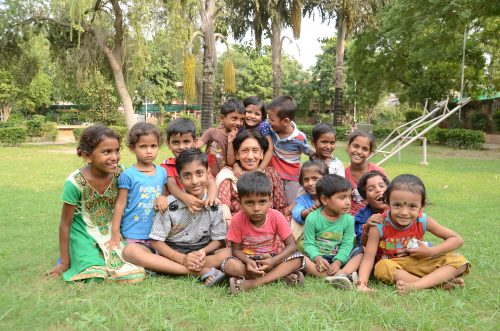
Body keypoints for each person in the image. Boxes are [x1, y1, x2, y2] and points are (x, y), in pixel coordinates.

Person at [49, 125, 145, 283]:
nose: (114, 157)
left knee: (130, 271)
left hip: (112, 230)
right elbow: (65, 224)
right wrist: (65, 263)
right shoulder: (74, 183)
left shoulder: (121, 173)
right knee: (93, 273)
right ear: (88, 156)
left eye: (117, 150)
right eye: (107, 152)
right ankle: (82, 255)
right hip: (83, 233)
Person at [122, 149, 231, 286]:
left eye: (199, 173)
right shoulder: (169, 205)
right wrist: (182, 259)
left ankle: (173, 267)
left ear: (208, 173)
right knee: (130, 251)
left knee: (230, 251)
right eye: (187, 175)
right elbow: (156, 241)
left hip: (202, 254)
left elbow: (218, 240)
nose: (194, 181)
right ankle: (197, 271)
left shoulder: (214, 206)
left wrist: (202, 252)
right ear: (179, 178)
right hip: (171, 253)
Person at [357, 174, 470, 293]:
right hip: (396, 267)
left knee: (460, 261)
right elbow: (368, 258)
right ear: (388, 202)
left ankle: (415, 286)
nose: (404, 212)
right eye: (397, 205)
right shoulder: (379, 224)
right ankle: (438, 285)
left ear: (421, 206)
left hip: (421, 262)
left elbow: (456, 239)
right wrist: (362, 282)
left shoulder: (422, 220)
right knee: (381, 267)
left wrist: (431, 251)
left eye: (412, 206)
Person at [222, 172, 306, 294]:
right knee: (229, 265)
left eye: (262, 202)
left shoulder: (276, 216)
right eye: (250, 203)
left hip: (271, 259)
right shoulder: (237, 219)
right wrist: (247, 261)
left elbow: (292, 245)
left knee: (299, 259)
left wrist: (274, 261)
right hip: (248, 262)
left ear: (270, 200)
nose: (256, 208)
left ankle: (252, 283)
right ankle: (281, 276)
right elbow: (236, 250)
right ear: (240, 203)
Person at [106, 123, 167, 251]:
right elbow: (120, 204)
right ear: (132, 148)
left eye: (153, 146)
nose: (149, 151)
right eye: (143, 146)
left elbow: (165, 195)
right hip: (133, 233)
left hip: (158, 233)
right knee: (136, 254)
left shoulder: (162, 172)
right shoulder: (128, 175)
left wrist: (163, 197)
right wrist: (115, 231)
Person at [216, 129, 288, 224]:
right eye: (245, 150)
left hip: (270, 227)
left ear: (261, 154)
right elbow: (223, 206)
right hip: (237, 227)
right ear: (237, 154)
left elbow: (281, 208)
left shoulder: (271, 174)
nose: (250, 156)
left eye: (255, 150)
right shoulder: (227, 175)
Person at [302, 174, 360, 289]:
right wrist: (317, 258)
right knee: (299, 258)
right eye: (342, 198)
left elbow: (347, 244)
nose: (348, 202)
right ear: (324, 200)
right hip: (318, 259)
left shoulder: (348, 219)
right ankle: (337, 277)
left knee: (361, 251)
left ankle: (341, 273)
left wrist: (338, 262)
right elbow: (309, 243)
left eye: (349, 197)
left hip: (339, 257)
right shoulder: (312, 218)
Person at [159, 118, 218, 214]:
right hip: (177, 210)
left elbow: (211, 182)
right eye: (175, 142)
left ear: (195, 142)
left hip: (201, 206)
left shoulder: (199, 163)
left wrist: (211, 198)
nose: (181, 147)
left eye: (186, 141)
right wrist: (186, 198)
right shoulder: (167, 165)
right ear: (168, 144)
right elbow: (171, 185)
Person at [267, 95, 313, 205]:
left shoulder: (299, 138)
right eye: (268, 118)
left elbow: (309, 152)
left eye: (271, 119)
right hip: (273, 176)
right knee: (271, 204)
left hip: (292, 178)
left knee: (292, 204)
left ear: (285, 121)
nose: (268, 121)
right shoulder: (271, 130)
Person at [196, 98, 245, 176]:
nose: (238, 123)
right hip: (208, 174)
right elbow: (196, 148)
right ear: (222, 118)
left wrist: (230, 142)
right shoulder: (211, 132)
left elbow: (231, 163)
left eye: (242, 120)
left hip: (224, 178)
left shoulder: (239, 138)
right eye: (234, 118)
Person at [344, 130, 387, 216]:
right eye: (355, 146)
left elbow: (388, 197)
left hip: (376, 216)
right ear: (349, 147)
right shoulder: (343, 174)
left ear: (370, 153)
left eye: (365, 149)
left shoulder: (378, 172)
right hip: (353, 219)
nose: (359, 151)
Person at [227, 96, 273, 172]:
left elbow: (269, 149)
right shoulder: (239, 125)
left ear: (262, 117)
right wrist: (235, 165)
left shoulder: (263, 126)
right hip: (241, 162)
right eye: (249, 112)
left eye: (257, 114)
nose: (252, 116)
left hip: (259, 163)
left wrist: (260, 169)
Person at [291, 160, 328, 248]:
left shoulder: (331, 197)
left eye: (315, 179)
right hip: (311, 236)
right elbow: (296, 212)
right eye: (306, 180)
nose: (310, 183)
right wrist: (304, 213)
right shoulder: (303, 199)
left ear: (326, 178)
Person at [355, 170, 390, 247]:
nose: (378, 190)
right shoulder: (361, 216)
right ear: (365, 200)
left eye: (381, 186)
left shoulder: (399, 209)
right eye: (371, 189)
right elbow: (361, 242)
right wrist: (367, 227)